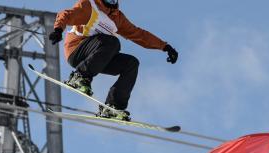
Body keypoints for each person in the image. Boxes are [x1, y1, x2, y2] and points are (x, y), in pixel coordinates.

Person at [49, 0, 178, 121]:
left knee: (131, 63)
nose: (111, 2)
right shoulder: (90, 6)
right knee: (112, 42)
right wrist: (58, 29)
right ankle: (79, 77)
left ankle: (113, 106)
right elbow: (67, 14)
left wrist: (164, 46)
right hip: (77, 50)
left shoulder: (117, 18)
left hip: (97, 57)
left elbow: (138, 34)